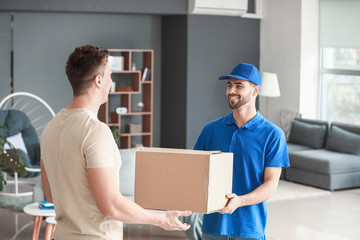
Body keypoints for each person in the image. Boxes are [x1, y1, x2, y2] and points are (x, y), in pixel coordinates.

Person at [40, 44, 191, 239]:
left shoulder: (50, 128)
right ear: (99, 80)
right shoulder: (95, 131)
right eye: (111, 74)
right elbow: (111, 206)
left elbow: (51, 195)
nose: (112, 81)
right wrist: (162, 219)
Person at [183, 63, 290, 240]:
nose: (231, 90)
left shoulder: (273, 135)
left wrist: (240, 201)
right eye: (229, 85)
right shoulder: (211, 130)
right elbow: (194, 172)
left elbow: (271, 185)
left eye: (239, 85)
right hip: (213, 227)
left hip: (249, 228)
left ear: (256, 90)